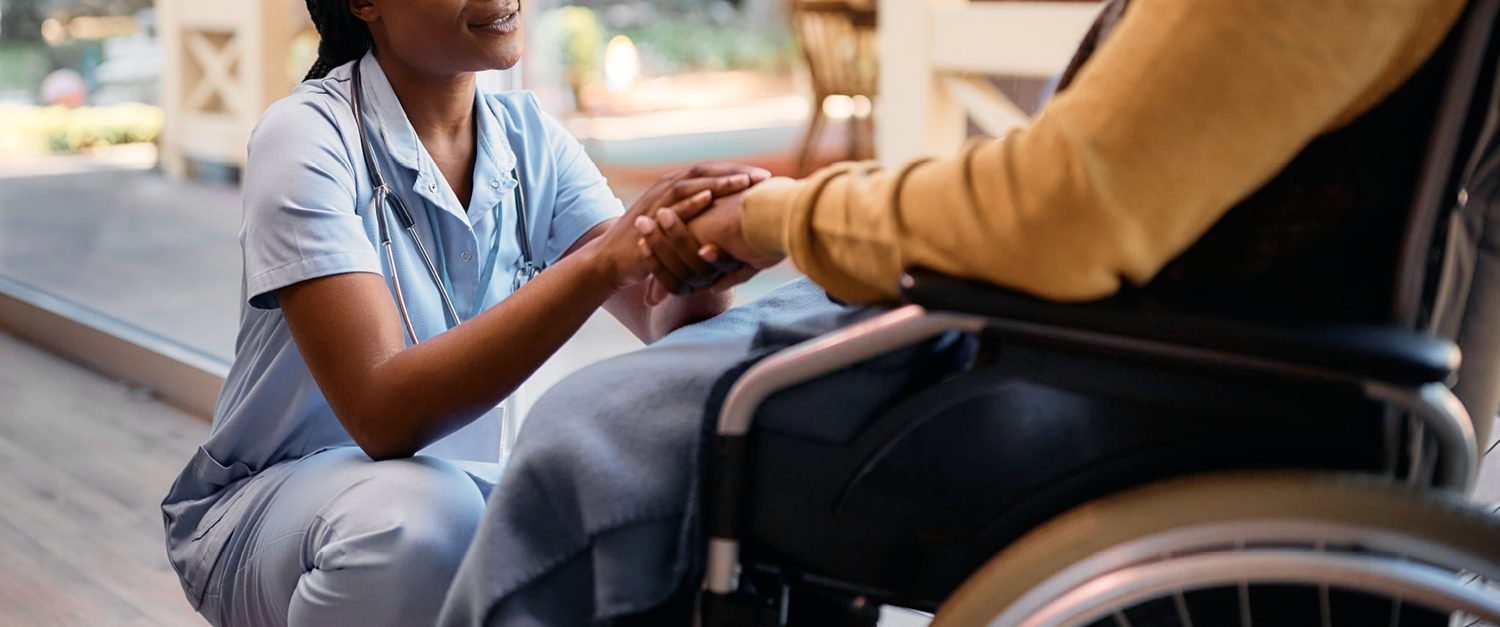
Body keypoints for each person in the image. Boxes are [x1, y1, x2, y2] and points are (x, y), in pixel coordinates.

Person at [439, 0, 1470, 624]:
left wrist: (777, 217)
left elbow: (1056, 209)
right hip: (1165, 355)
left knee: (596, 430)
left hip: (1123, 381)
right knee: (705, 363)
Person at [158, 1, 769, 625]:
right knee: (420, 520)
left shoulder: (530, 139)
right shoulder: (306, 136)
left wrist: (703, 261)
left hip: (457, 503)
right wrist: (597, 264)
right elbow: (382, 413)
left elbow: (663, 318)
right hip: (272, 512)